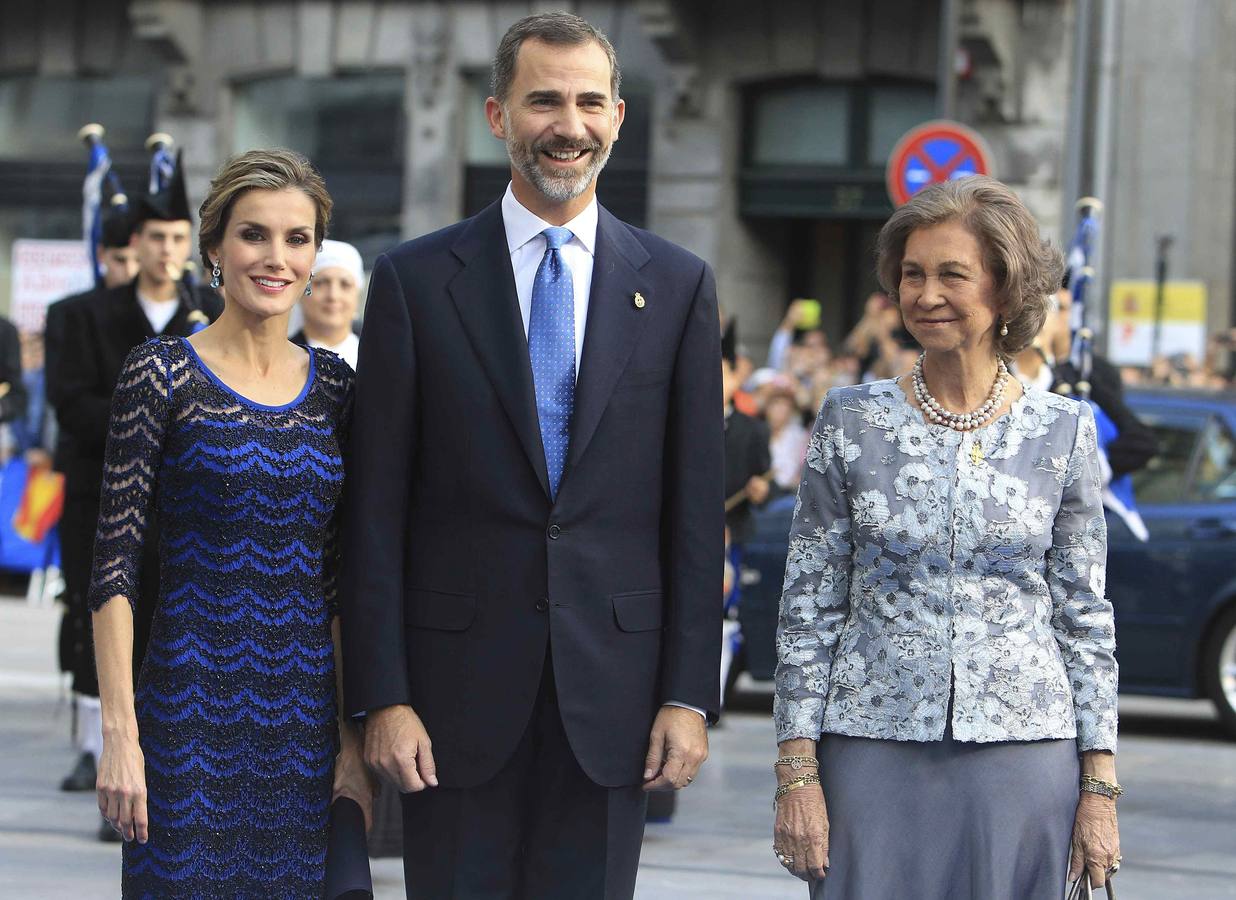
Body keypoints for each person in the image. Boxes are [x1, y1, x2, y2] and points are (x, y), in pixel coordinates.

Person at [341, 12, 723, 898]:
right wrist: (383, 697)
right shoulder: (412, 282)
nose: (569, 124)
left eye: (590, 102)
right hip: (447, 706)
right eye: (544, 99)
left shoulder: (676, 285)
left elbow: (697, 516)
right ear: (497, 115)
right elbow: (376, 512)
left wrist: (687, 696)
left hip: (616, 705)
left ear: (619, 117)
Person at [772, 176, 1121, 899]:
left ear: (1006, 288)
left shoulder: (1064, 429)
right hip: (869, 746)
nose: (926, 293)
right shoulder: (850, 421)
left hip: (1025, 755)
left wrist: (1100, 789)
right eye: (912, 274)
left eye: (951, 274)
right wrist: (798, 772)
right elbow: (808, 609)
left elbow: (1084, 619)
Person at [89, 148, 372, 896]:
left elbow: (342, 577)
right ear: (213, 248)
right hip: (185, 717)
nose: (276, 258)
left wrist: (349, 739)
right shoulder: (162, 374)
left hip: (305, 724)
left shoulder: (337, 389)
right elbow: (112, 569)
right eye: (254, 235)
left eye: (297, 238)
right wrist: (121, 737)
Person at [45, 164, 222, 823]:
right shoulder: (85, 315)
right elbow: (71, 403)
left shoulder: (206, 315)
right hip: (101, 495)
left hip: (181, 510)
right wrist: (154, 421)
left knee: (165, 629)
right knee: (101, 620)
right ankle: (102, 758)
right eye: (156, 237)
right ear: (138, 241)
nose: (167, 251)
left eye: (179, 238)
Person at [292, 238, 363, 369]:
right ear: (302, 291)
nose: (333, 296)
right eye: (321, 283)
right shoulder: (282, 359)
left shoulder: (381, 351)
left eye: (345, 284)